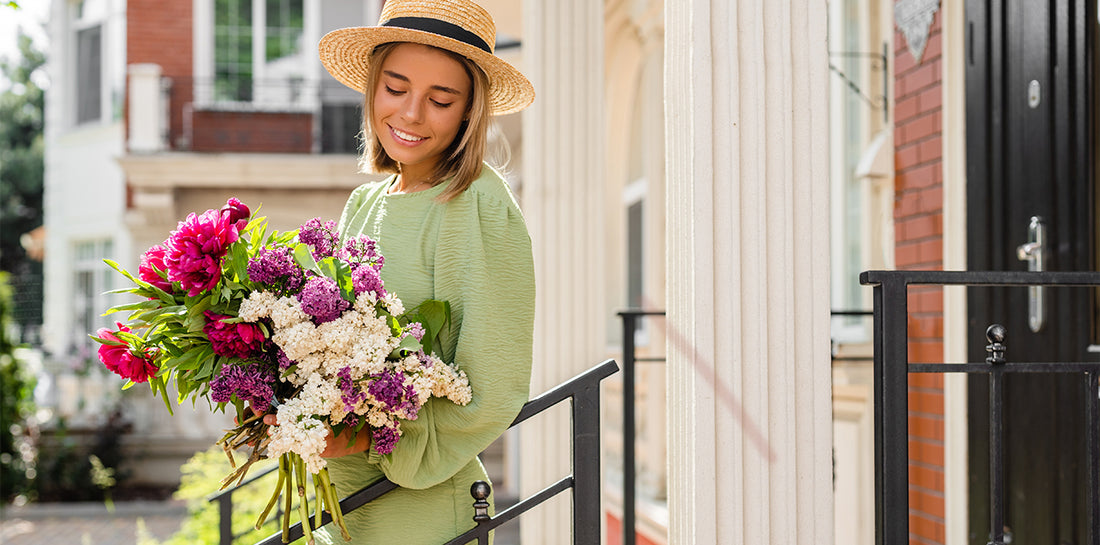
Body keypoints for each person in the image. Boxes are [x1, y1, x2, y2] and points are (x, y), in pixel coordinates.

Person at [267, 1, 536, 543]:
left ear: (468, 111)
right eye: (395, 88)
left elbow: (494, 385)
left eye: (441, 100)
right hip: (338, 502)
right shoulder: (365, 202)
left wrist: (367, 439)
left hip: (420, 511)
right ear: (371, 89)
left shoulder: (477, 204)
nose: (412, 114)